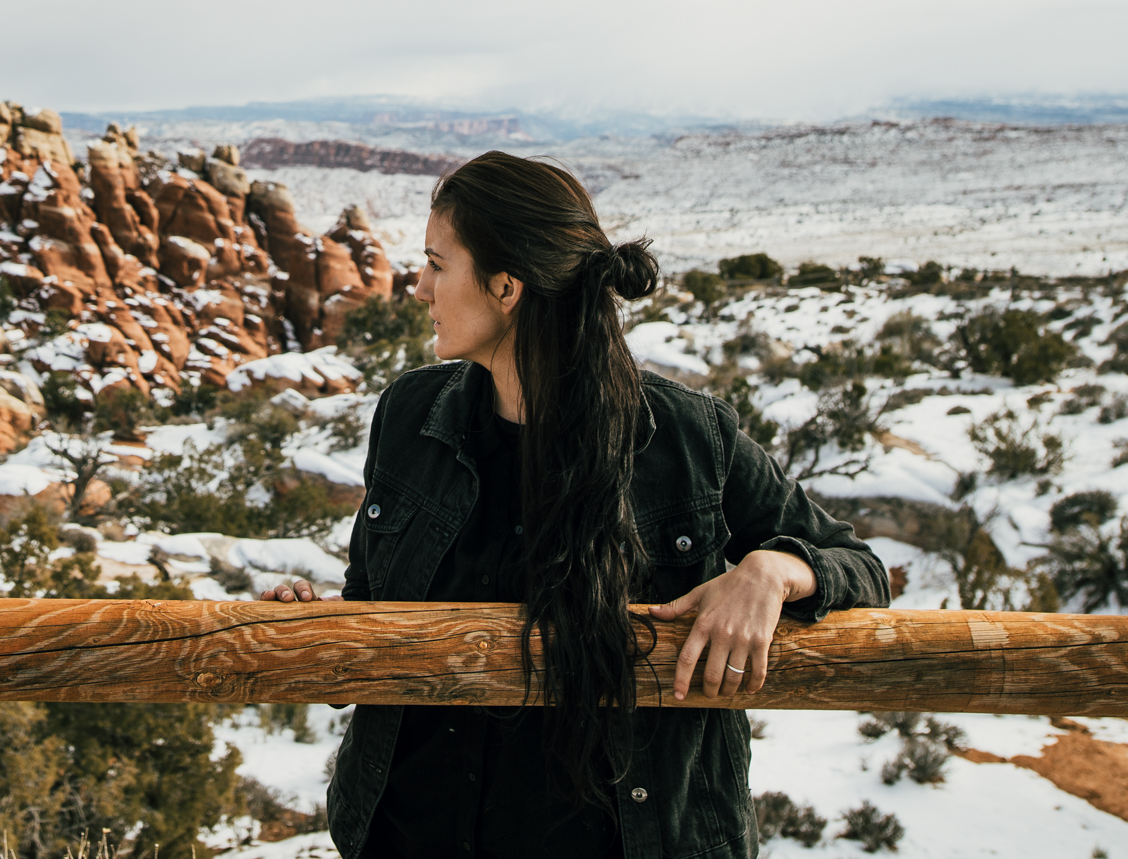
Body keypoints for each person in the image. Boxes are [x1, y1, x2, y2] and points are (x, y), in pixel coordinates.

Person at [261, 151, 888, 859]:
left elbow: (857, 564)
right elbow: (372, 601)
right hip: (411, 834)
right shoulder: (411, 416)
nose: (419, 286)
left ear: (505, 285)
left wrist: (772, 571)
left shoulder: (682, 436)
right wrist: (314, 625)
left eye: (438, 263)